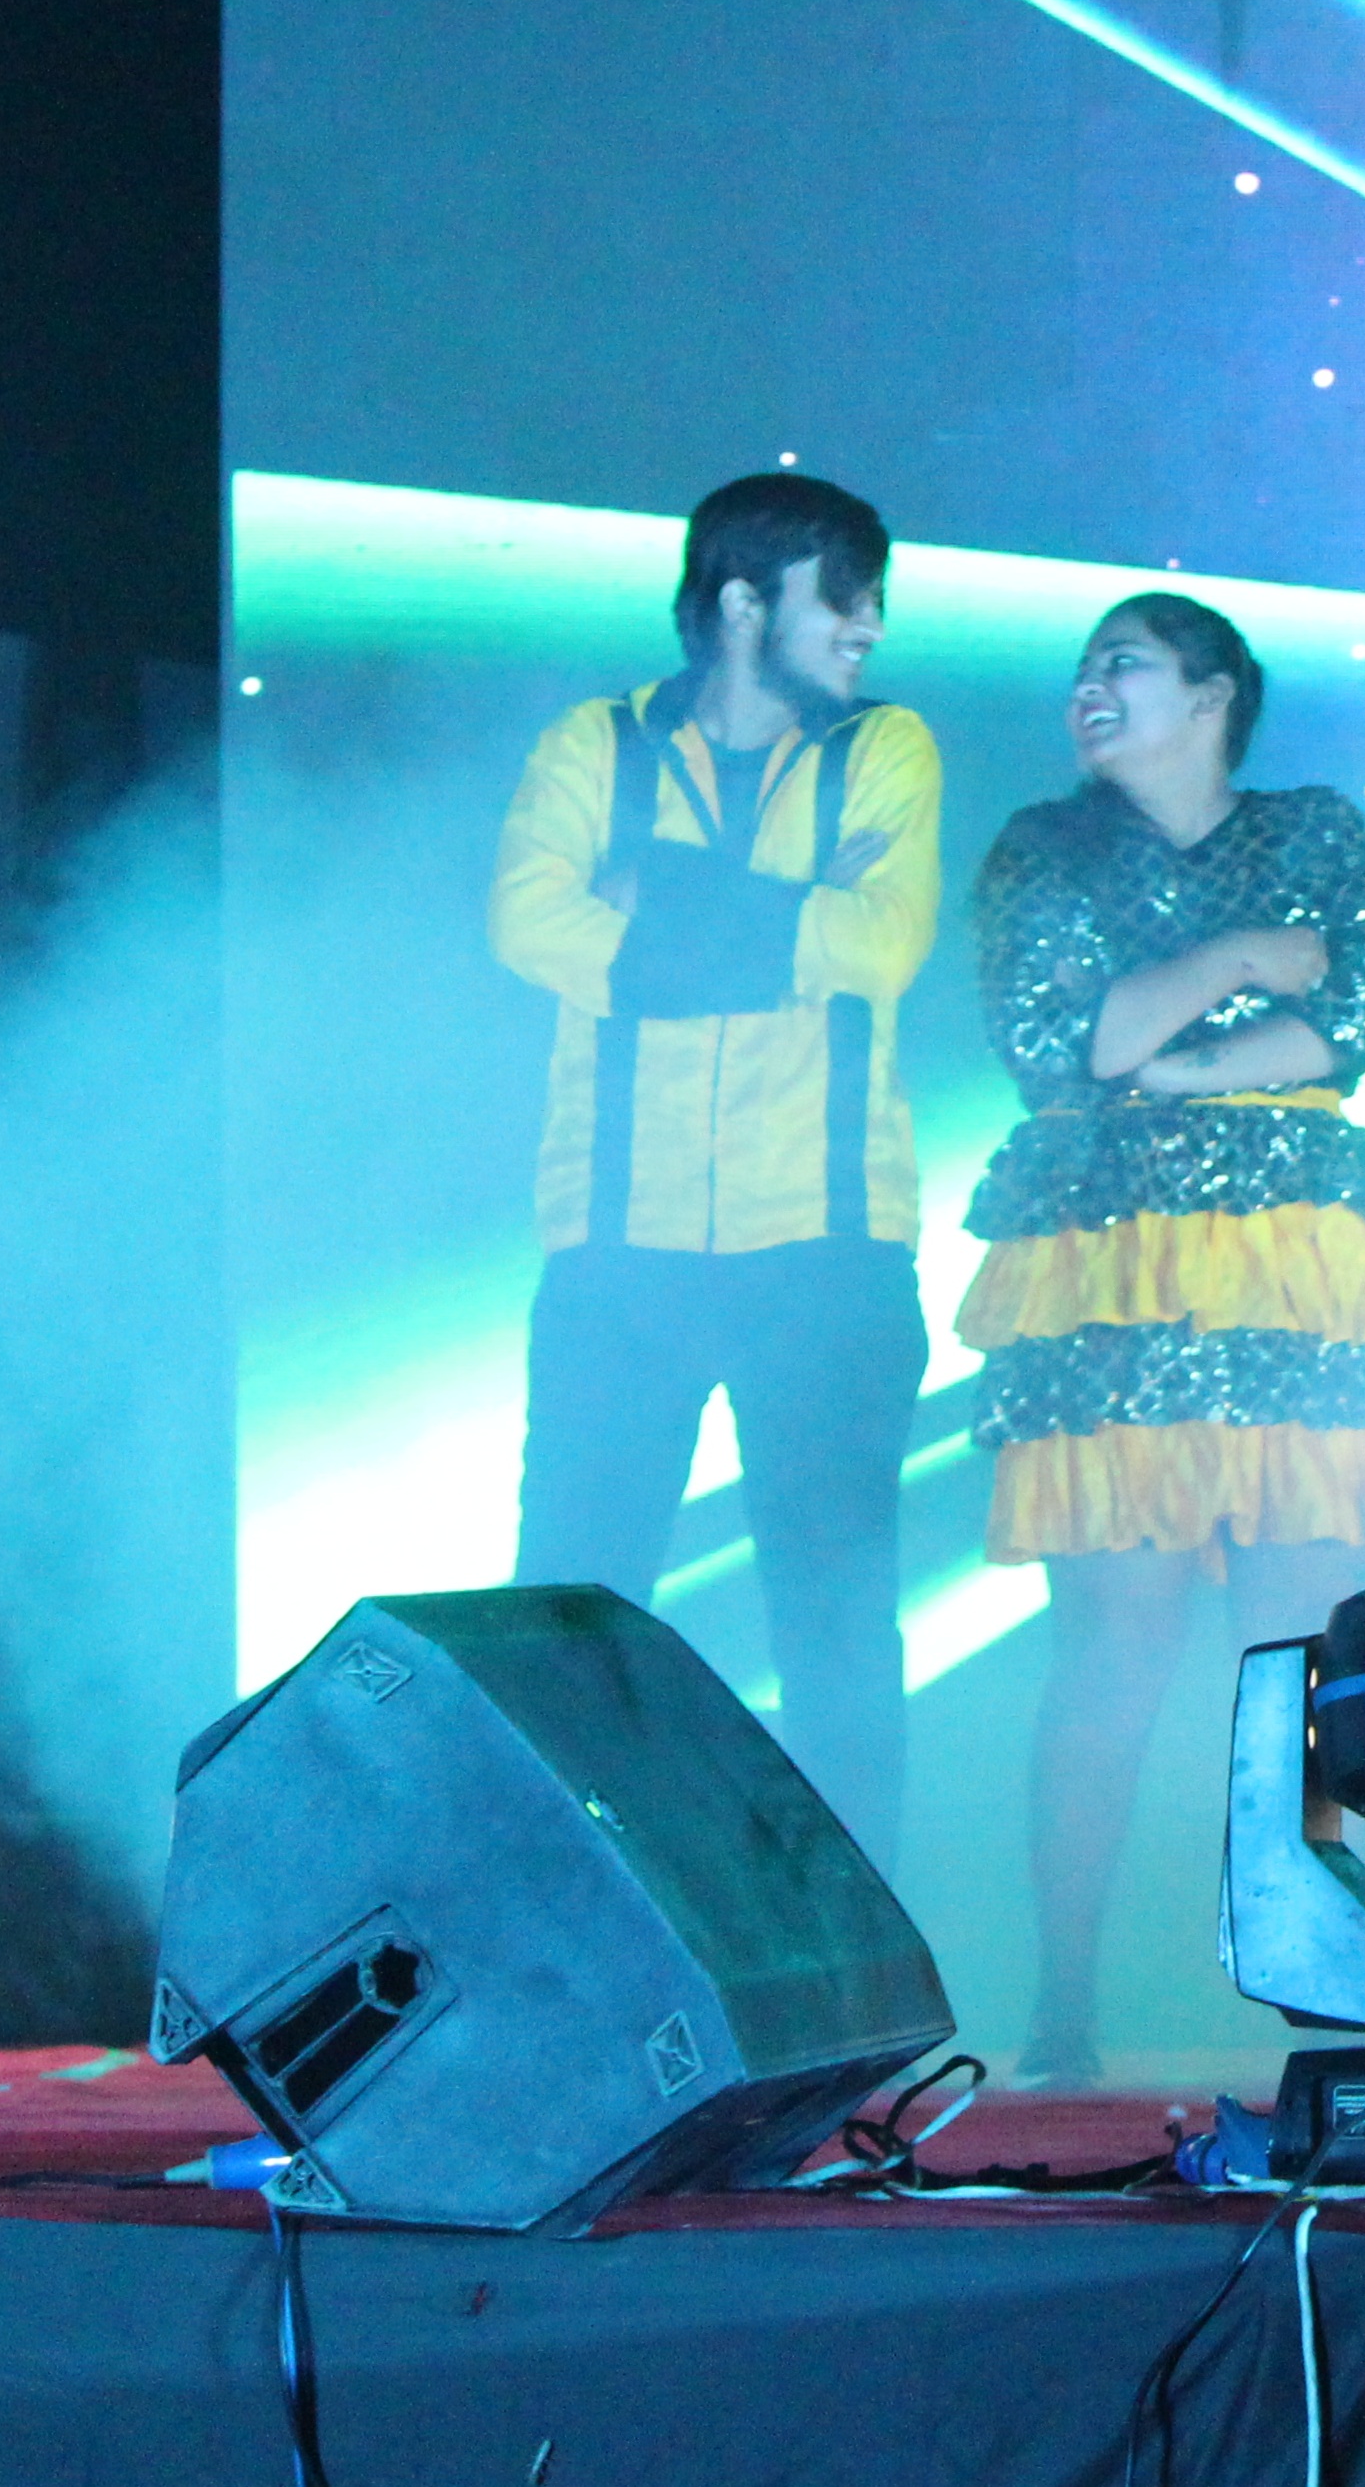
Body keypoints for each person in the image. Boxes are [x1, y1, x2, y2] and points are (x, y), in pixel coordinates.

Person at [957, 593, 1365, 2082]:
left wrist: (1177, 1061)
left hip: (1294, 1266)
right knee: (1113, 1643)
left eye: (1120, 662)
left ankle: (1316, 1982)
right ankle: (1062, 2004)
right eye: (1080, 665)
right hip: (1110, 1266)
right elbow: (1065, 1046)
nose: (1087, 686)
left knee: (1299, 1645)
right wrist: (1242, 951)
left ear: (1213, 692)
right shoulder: (1042, 848)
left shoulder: (1313, 824)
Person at [491, 472, 942, 1865]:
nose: (868, 625)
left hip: (830, 1250)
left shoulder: (887, 745)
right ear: (745, 603)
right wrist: (783, 931)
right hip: (617, 1250)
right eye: (843, 595)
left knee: (836, 1628)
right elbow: (526, 923)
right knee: (568, 1617)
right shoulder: (594, 742)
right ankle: (558, 1920)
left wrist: (655, 907)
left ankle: (860, 1948)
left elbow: (880, 942)